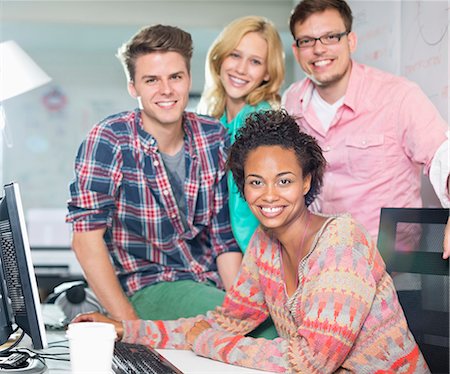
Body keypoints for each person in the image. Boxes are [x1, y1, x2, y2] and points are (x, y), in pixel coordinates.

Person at [73, 110, 428, 373]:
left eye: (284, 181)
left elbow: (311, 360)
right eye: (256, 182)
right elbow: (225, 321)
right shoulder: (265, 243)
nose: (269, 195)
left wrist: (208, 343)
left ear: (307, 182)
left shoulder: (341, 242)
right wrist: (126, 329)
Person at [66, 24, 242, 322]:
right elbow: (85, 239)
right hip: (146, 289)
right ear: (133, 86)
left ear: (188, 79)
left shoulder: (214, 137)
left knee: (265, 324)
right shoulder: (110, 139)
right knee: (265, 334)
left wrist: (241, 308)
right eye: (151, 80)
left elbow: (224, 241)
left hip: (210, 285)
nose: (166, 90)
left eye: (175, 77)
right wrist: (130, 326)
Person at [282, 0, 450, 259]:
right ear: (296, 51)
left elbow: (443, 154)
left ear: (351, 41)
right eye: (307, 41)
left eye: (330, 37)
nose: (319, 49)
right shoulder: (292, 101)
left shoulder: (398, 96)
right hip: (318, 262)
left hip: (391, 264)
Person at [198, 15, 285, 253]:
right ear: (220, 57)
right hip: (220, 250)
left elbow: (257, 202)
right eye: (235, 55)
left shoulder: (261, 120)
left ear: (268, 72)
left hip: (253, 252)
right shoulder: (214, 118)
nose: (241, 69)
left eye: (255, 61)